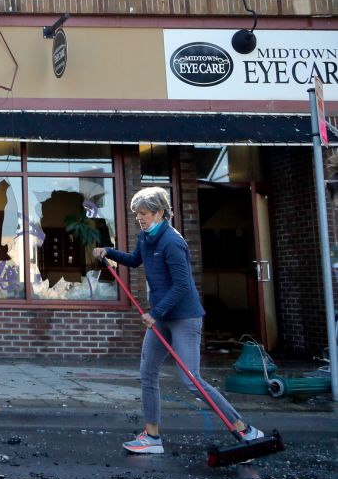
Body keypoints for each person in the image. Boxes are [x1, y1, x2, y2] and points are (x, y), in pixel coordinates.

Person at [93, 186, 264, 455]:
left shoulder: (172, 242)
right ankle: (152, 437)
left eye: (144, 213)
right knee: (147, 373)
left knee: (191, 379)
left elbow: (183, 286)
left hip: (184, 317)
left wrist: (155, 313)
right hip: (161, 316)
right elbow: (135, 260)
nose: (140, 218)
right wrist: (108, 252)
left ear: (160, 212)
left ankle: (243, 428)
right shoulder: (146, 237)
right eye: (137, 214)